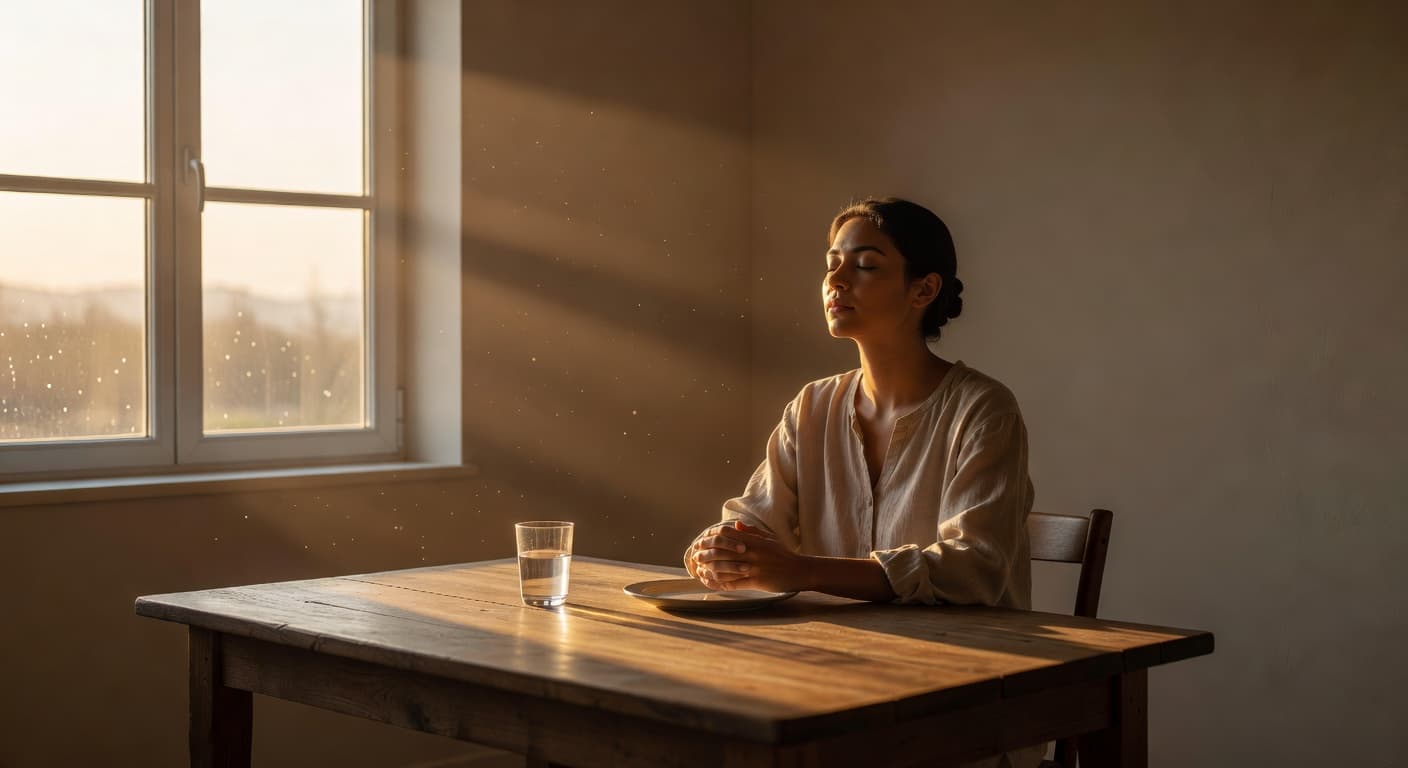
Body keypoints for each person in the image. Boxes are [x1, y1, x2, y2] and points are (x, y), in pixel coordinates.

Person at [682, 196, 1042, 767]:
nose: (837, 279)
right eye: (832, 263)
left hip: (967, 700)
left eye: (866, 265)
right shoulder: (813, 405)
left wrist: (802, 570)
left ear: (923, 291)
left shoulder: (983, 408)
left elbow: (973, 566)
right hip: (835, 683)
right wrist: (725, 548)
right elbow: (753, 518)